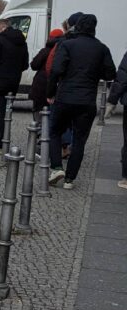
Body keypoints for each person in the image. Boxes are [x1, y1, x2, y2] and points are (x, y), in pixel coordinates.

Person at [43, 14, 116, 189]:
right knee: (80, 139)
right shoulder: (102, 48)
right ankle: (70, 179)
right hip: (87, 100)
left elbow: (56, 70)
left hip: (65, 97)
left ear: (77, 26)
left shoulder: (67, 45)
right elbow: (110, 74)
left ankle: (56, 168)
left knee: (55, 132)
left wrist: (50, 92)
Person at [0, 18, 26, 149]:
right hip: (14, 81)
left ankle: (1, 142)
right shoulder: (21, 41)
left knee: (0, 113)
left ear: (3, 28)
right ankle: (1, 136)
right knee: (7, 112)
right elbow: (25, 64)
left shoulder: (0, 40)